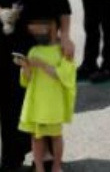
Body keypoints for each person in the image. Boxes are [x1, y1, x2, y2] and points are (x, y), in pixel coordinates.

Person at [0, 0, 74, 171]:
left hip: (39, 44)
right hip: (7, 42)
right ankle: (12, 157)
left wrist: (65, 37)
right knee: (10, 102)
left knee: (41, 101)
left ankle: (47, 158)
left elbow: (63, 8)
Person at [16, 18, 76, 172]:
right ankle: (40, 167)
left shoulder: (63, 50)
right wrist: (25, 68)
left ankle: (57, 165)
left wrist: (41, 64)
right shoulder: (33, 51)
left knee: (56, 135)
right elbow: (27, 80)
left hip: (53, 103)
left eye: (36, 25)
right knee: (36, 137)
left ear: (51, 26)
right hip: (36, 103)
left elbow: (64, 75)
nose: (32, 29)